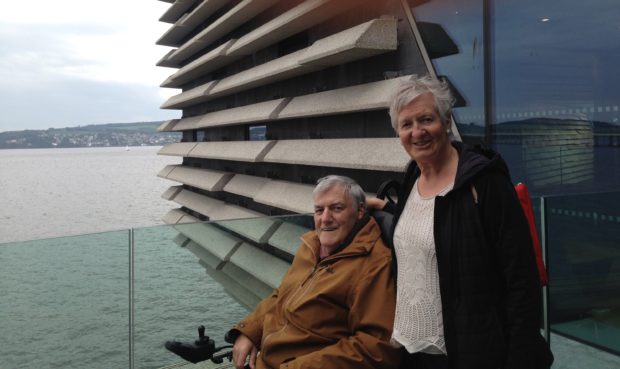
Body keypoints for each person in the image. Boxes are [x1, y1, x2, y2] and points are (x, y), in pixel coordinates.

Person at [367, 75, 554, 369]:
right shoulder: (412, 177)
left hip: (470, 353)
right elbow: (431, 227)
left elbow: (521, 277)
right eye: (406, 124)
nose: (417, 132)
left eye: (426, 119)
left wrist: (520, 358)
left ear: (446, 121)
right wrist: (383, 208)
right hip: (411, 349)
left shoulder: (485, 182)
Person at [228, 175, 402, 369]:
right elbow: (282, 295)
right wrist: (250, 331)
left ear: (360, 211)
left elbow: (375, 348)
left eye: (337, 208)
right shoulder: (311, 246)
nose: (325, 219)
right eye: (319, 210)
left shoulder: (374, 264)